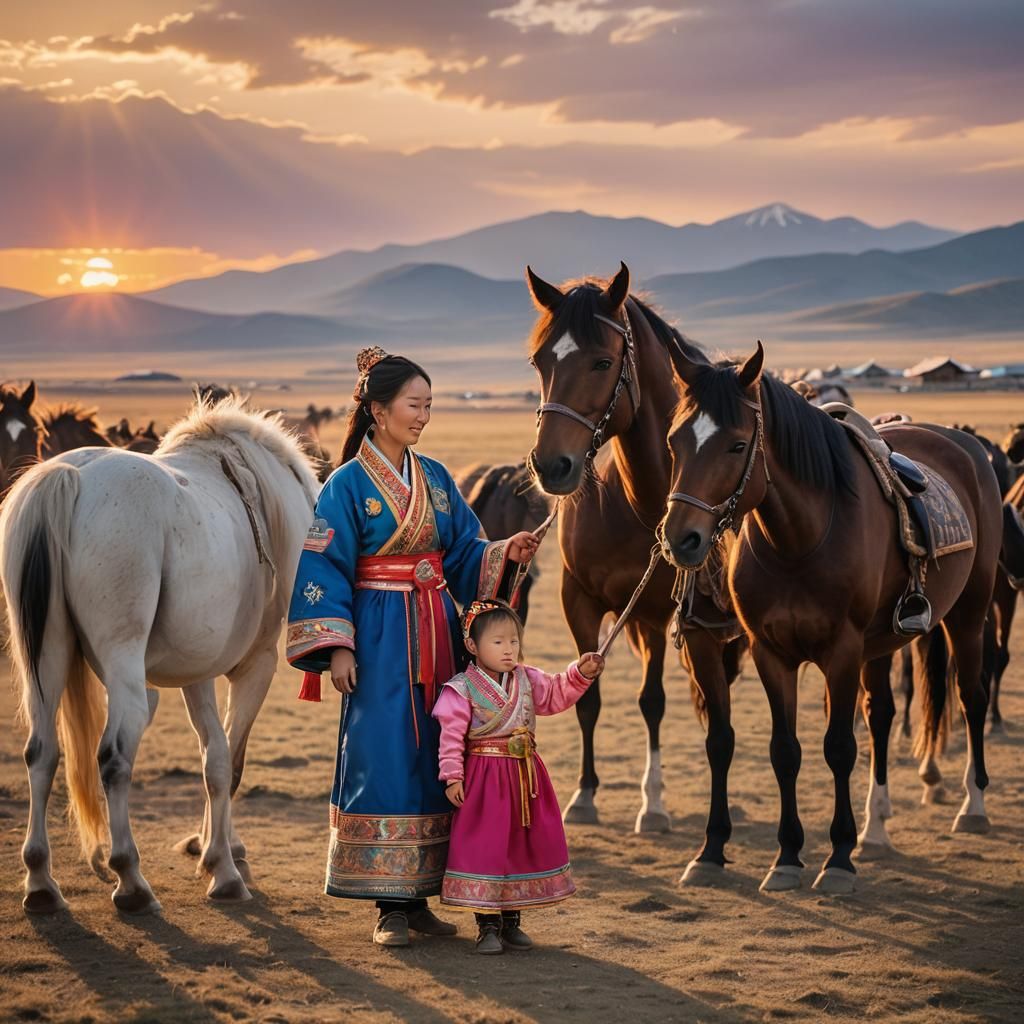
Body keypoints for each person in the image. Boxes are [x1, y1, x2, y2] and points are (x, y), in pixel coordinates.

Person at [286, 347, 540, 947]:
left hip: (437, 631)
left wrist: (505, 553)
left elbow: (464, 552)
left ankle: (423, 896)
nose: (423, 416)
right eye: (413, 404)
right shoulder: (346, 485)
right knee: (384, 753)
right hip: (376, 637)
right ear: (377, 409)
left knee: (440, 752)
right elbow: (323, 565)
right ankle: (387, 907)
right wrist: (338, 646)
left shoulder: (437, 480)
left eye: (429, 405)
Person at [432, 599, 604, 954]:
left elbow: (556, 693)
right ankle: (487, 925)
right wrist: (452, 776)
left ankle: (512, 921)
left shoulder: (527, 679)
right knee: (487, 848)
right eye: (498, 642)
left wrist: (580, 673)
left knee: (519, 845)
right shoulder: (461, 689)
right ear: (472, 646)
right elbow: (450, 736)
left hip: (525, 778)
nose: (509, 649)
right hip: (483, 780)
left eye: (514, 641)